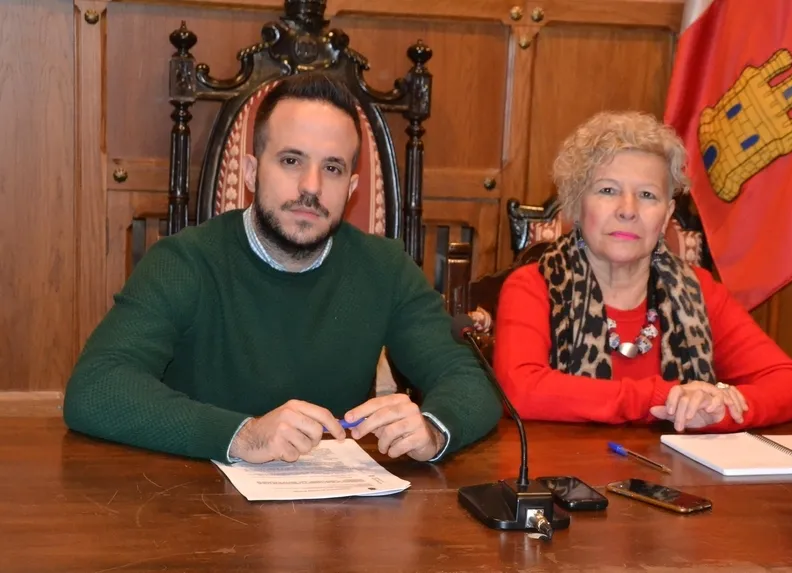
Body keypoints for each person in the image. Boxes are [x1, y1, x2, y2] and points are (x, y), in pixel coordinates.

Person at [63, 73, 501, 464]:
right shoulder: (184, 262)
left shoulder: (385, 268)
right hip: (190, 511)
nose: (310, 187)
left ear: (350, 189)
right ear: (252, 172)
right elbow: (96, 388)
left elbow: (468, 379)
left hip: (331, 523)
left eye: (332, 168)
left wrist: (434, 429)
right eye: (291, 161)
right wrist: (243, 436)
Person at [492, 111, 792, 432]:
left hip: (676, 481)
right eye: (608, 190)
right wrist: (665, 398)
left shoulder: (698, 291)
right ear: (577, 206)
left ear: (665, 216)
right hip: (564, 480)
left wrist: (717, 406)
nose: (628, 211)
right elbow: (520, 391)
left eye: (647, 195)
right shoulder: (533, 286)